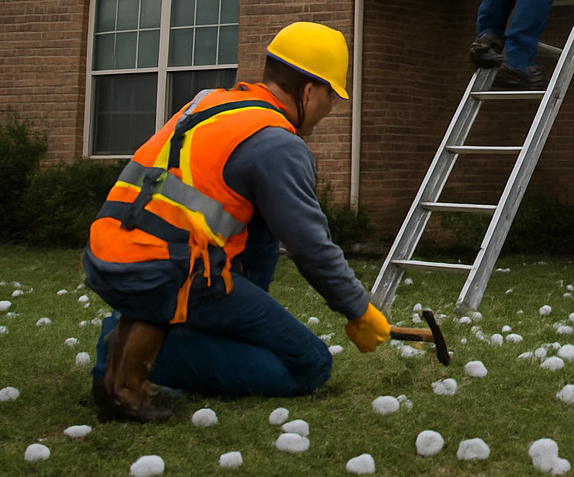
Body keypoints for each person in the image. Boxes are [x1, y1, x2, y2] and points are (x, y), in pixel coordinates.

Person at [82, 22, 390, 421]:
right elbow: (309, 245)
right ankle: (120, 352)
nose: (328, 111)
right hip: (170, 272)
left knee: (260, 222)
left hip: (111, 252)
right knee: (310, 364)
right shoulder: (277, 143)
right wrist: (358, 309)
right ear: (309, 91)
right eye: (331, 97)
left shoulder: (208, 102)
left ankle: (143, 337)